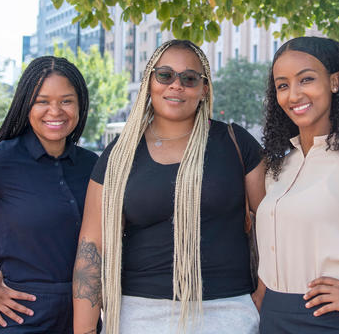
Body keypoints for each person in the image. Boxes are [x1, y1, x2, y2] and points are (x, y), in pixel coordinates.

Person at [73, 39, 266, 334]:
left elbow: (273, 227)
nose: (176, 85)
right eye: (165, 75)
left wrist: (261, 297)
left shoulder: (235, 142)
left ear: (204, 90)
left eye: (189, 78)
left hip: (228, 313)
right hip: (139, 315)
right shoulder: (119, 154)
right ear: (149, 82)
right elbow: (92, 247)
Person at [257, 36, 339, 333]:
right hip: (274, 317)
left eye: (306, 79)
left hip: (335, 321)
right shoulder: (279, 168)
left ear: (335, 81)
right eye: (282, 85)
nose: (293, 95)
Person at [0, 56, 99, 333]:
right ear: (27, 104)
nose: (55, 111)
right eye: (43, 101)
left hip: (83, 316)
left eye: (66, 101)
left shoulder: (92, 165)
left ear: (80, 104)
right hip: (16, 318)